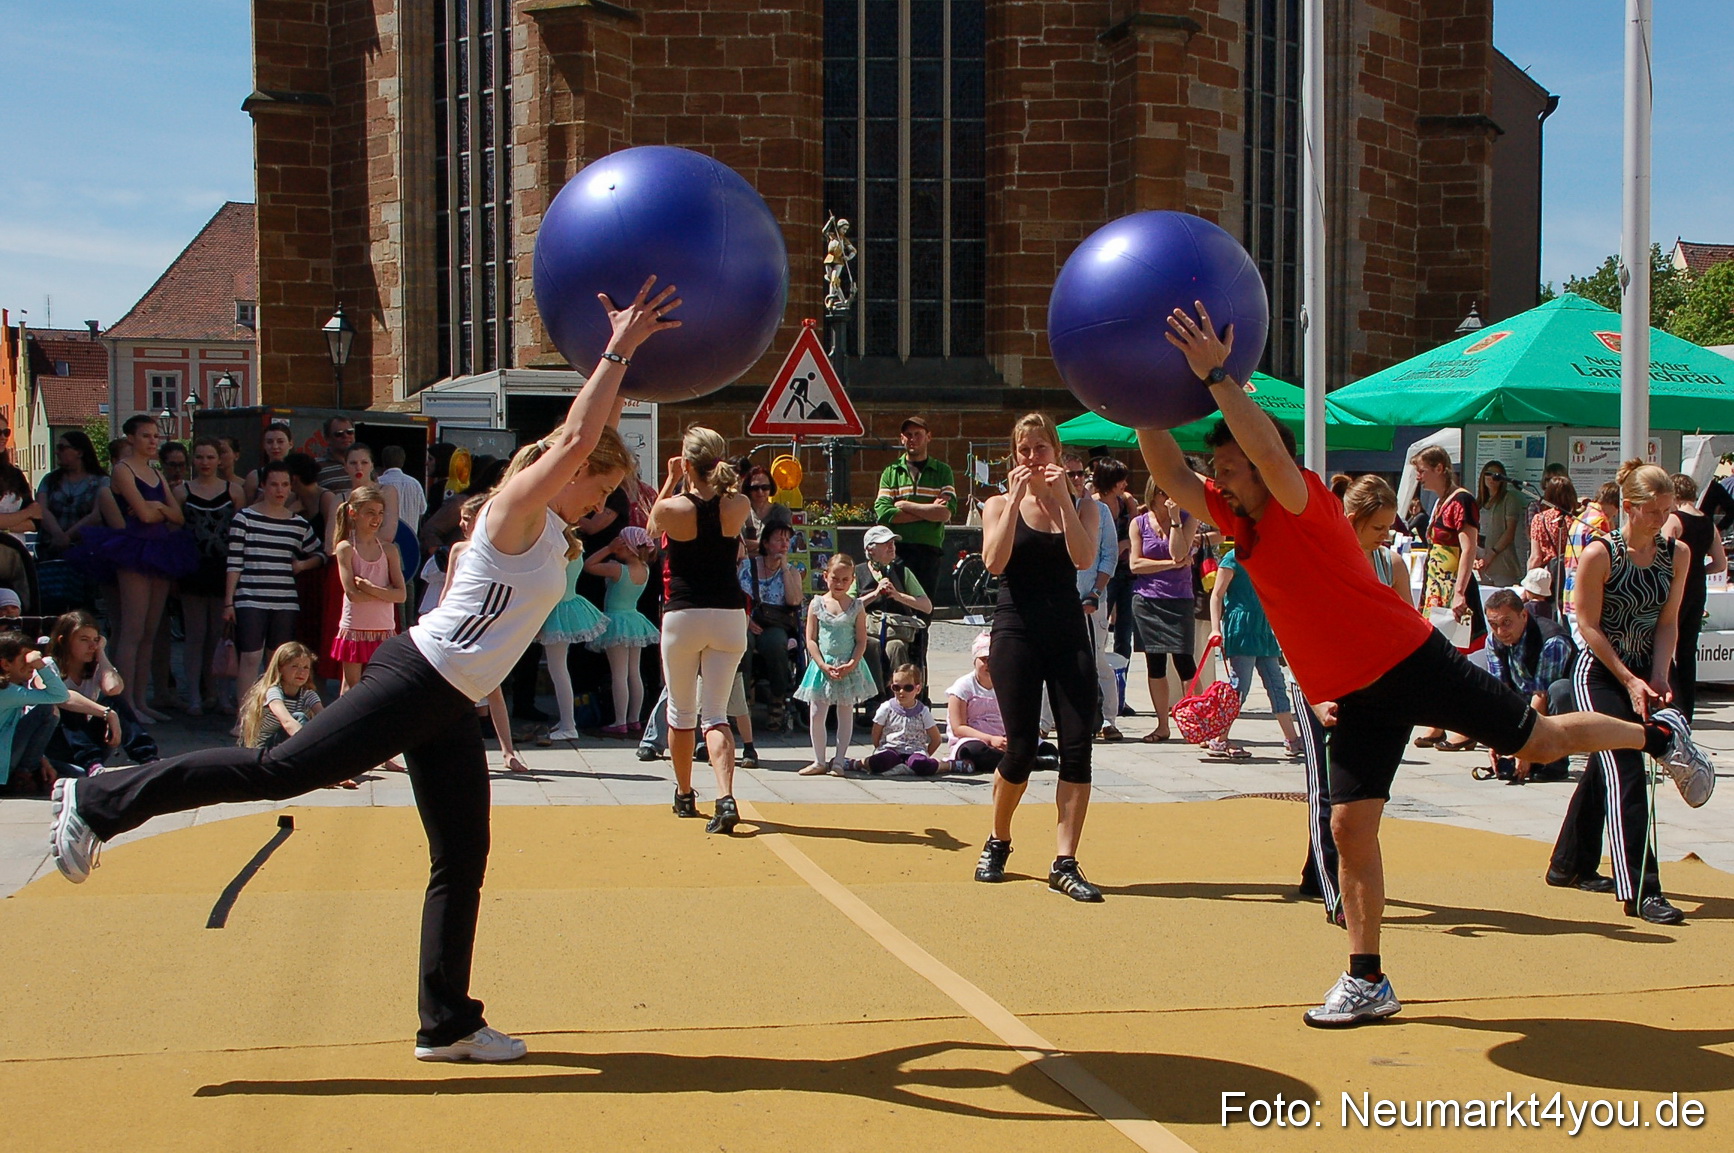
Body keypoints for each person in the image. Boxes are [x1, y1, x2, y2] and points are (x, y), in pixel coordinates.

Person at [49, 273, 673, 1064]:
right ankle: (97, 798)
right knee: (277, 770)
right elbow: (578, 440)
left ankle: (445, 1021)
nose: (603, 505)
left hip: (452, 697)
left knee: (462, 853)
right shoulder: (518, 506)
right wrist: (619, 348)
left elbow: (591, 436)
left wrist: (614, 370)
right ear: (565, 470)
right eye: (601, 490)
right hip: (421, 677)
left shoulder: (551, 521)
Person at [1140, 299, 1712, 1026]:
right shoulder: (1236, 517)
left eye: (1228, 467)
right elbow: (1167, 467)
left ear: (1258, 463)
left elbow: (1270, 451)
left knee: (1539, 742)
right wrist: (1137, 397)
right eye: (1215, 468)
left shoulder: (1300, 498)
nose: (1216, 479)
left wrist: (1216, 375)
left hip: (1408, 658)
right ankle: (1367, 977)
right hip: (1353, 691)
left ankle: (1661, 737)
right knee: (1349, 825)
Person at [1549, 461, 1698, 925]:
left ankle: (1567, 863)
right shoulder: (1600, 554)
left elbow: (1668, 621)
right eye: (1652, 511)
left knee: (1605, 767)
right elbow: (1587, 626)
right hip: (1598, 672)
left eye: (1666, 510)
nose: (1661, 520)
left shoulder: (1677, 555)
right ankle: (1641, 889)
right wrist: (1629, 680)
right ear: (1628, 509)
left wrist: (1657, 675)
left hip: (1641, 667)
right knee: (1627, 770)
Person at [972, 413, 1101, 902]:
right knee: (1021, 746)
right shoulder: (998, 504)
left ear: (1056, 452)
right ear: (1014, 455)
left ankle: (1065, 861)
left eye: (1040, 449)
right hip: (1016, 630)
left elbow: (1084, 558)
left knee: (1077, 745)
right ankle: (998, 838)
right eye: (1024, 450)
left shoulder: (1083, 506)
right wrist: (1013, 504)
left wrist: (1063, 500)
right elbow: (995, 562)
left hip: (1067, 630)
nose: (1032, 458)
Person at [649, 424, 752, 835]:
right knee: (716, 713)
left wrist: (673, 478)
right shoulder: (739, 504)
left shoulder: (675, 508)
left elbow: (652, 526)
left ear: (689, 463)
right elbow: (730, 499)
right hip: (728, 614)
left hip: (685, 613)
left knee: (681, 711)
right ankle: (725, 795)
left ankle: (685, 792)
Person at [73, 415, 197, 724]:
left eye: (156, 436)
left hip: (159, 550)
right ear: (131, 438)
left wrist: (159, 510)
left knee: (150, 632)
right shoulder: (122, 470)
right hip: (134, 551)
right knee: (132, 629)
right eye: (146, 436)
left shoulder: (155, 473)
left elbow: (177, 517)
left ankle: (140, 700)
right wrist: (156, 510)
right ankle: (123, 703)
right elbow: (143, 514)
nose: (153, 441)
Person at [225, 461, 323, 697]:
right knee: (249, 657)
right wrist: (228, 601)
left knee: (277, 660)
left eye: (285, 485)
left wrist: (302, 565)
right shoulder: (245, 519)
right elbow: (234, 562)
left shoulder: (298, 524)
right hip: (250, 597)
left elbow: (320, 554)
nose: (280, 490)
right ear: (263, 486)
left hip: (284, 600)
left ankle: (270, 713)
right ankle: (244, 717)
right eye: (274, 485)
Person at [1411, 446, 1483, 752]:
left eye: (1423, 470)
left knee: (1455, 660)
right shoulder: (1441, 501)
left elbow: (1468, 548)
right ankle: (1439, 722)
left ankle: (1464, 725)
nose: (1419, 477)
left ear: (1440, 467)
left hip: (1454, 589)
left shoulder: (1461, 500)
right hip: (1437, 588)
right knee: (1437, 660)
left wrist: (1459, 592)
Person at [1207, 545, 1301, 759]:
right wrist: (1215, 628)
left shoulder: (1269, 559)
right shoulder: (1232, 558)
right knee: (1240, 685)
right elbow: (1217, 595)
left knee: (1276, 683)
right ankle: (1219, 738)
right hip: (1241, 629)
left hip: (1263, 628)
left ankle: (1292, 739)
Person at [175, 438, 245, 716]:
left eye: (210, 457)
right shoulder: (182, 491)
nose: (205, 462)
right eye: (200, 457)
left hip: (224, 569)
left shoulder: (234, 491)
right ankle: (194, 694)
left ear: (220, 460)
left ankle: (221, 695)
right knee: (194, 635)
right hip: (193, 569)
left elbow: (241, 535)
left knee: (221, 636)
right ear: (194, 460)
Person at [44, 610, 157, 775]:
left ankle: (148, 758)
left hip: (92, 743)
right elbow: (63, 697)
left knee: (115, 701)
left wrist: (101, 653)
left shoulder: (96, 667)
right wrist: (107, 714)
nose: (92, 646)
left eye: (95, 640)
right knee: (72, 707)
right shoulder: (48, 666)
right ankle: (92, 765)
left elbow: (113, 689)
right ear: (63, 641)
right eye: (84, 640)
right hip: (58, 744)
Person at [1058, 454, 1122, 742]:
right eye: (1068, 474)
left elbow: (1109, 555)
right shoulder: (1053, 509)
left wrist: (1096, 591)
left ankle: (1108, 719)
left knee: (1097, 659)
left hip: (1091, 596)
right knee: (1054, 660)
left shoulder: (1100, 510)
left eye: (1078, 474)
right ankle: (1046, 721)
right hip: (1059, 597)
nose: (1075, 480)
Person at [1482, 588, 1575, 783]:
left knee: (1559, 691)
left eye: (1507, 622)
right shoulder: (1493, 640)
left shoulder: (1552, 640)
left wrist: (1524, 749)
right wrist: (1498, 740)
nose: (1501, 631)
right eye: (1494, 625)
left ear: (1523, 615)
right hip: (1523, 698)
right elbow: (1500, 692)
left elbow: (1540, 695)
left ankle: (1556, 763)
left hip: (1557, 703)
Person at [795, 553, 876, 775]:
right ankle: (819, 760)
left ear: (852, 581)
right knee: (817, 713)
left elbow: (861, 640)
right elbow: (810, 639)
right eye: (835, 578)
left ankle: (839, 760)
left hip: (848, 665)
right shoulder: (817, 603)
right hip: (823, 665)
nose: (839, 584)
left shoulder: (857, 606)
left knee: (845, 711)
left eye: (844, 580)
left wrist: (852, 663)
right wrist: (820, 663)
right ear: (825, 577)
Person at [1128, 479, 1195, 743]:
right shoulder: (1139, 523)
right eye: (1162, 491)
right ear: (1152, 493)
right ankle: (1162, 725)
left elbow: (1180, 552)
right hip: (1147, 600)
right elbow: (1135, 564)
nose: (1167, 496)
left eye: (1172, 490)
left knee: (1184, 661)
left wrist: (1176, 519)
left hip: (1179, 598)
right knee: (1155, 664)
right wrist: (1171, 563)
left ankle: (1194, 722)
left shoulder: (1189, 519)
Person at [330, 483, 407, 693]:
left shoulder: (389, 550)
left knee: (382, 684)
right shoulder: (345, 548)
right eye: (370, 513)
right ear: (353, 513)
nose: (376, 519)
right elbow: (352, 594)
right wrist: (384, 593)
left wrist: (370, 588)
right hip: (355, 626)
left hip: (383, 627)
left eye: (380, 513)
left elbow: (401, 595)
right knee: (351, 685)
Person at [585, 526, 661, 737]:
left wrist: (608, 549)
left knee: (619, 674)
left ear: (628, 548)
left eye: (620, 544)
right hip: (633, 619)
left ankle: (619, 721)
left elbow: (588, 565)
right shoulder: (644, 569)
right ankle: (634, 719)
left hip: (616, 621)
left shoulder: (618, 570)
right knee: (633, 672)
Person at [1662, 473, 1726, 721]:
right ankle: (1687, 708)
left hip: (1675, 588)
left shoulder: (1674, 520)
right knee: (1688, 650)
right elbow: (1720, 564)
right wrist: (1699, 569)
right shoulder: (1708, 523)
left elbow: (1664, 553)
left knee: (1665, 645)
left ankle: (1673, 703)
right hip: (1698, 588)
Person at [873, 416, 957, 599]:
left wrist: (905, 505)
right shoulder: (891, 471)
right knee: (899, 606)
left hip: (929, 551)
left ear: (928, 437)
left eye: (918, 434)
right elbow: (884, 513)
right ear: (902, 438)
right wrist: (928, 512)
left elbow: (944, 513)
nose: (913, 439)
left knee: (924, 607)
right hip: (897, 549)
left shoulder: (943, 471)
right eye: (908, 435)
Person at [854, 525, 932, 696]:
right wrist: (875, 594)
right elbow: (847, 606)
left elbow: (926, 606)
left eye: (892, 543)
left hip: (896, 630)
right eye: (885, 543)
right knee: (870, 646)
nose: (891, 547)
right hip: (869, 630)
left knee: (895, 647)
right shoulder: (857, 573)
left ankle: (900, 695)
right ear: (870, 549)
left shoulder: (903, 572)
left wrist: (898, 596)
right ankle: (875, 698)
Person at [742, 519, 804, 727]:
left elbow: (794, 601)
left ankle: (777, 696)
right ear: (766, 543)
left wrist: (784, 567)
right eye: (779, 539)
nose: (784, 544)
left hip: (776, 622)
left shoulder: (792, 571)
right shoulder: (747, 566)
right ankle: (742, 700)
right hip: (747, 619)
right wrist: (746, 620)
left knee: (776, 642)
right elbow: (734, 597)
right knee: (744, 643)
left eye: (787, 540)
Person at [0, 632, 69, 795]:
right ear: (5, 664)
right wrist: (41, 666)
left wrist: (42, 759)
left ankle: (26, 773)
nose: (31, 663)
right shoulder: (8, 692)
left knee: (75, 774)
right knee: (47, 709)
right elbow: (60, 695)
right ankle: (22, 776)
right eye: (25, 658)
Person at [1091, 457, 1138, 665]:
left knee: (1125, 632)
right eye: (1121, 480)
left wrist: (1127, 542)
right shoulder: (1092, 505)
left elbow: (1137, 531)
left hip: (1126, 572)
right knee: (1099, 629)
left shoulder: (1125, 502)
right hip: (1101, 573)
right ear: (1110, 481)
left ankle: (1121, 683)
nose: (1125, 484)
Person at [238, 641, 323, 752]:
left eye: (306, 667)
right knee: (299, 717)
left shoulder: (308, 695)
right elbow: (287, 722)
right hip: (264, 750)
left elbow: (323, 716)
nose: (301, 672)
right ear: (280, 669)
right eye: (295, 666)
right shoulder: (273, 692)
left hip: (289, 743)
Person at [36, 430, 108, 557]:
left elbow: (97, 515)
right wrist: (58, 534)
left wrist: (67, 537)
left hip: (86, 553)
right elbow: (41, 509)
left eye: (62, 448)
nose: (57, 452)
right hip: (49, 551)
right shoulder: (49, 480)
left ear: (79, 452)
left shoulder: (102, 481)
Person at [865, 664, 943, 776]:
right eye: (896, 688)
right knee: (879, 761)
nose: (901, 692)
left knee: (921, 764)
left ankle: (946, 765)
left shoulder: (923, 712)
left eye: (908, 688)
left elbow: (936, 739)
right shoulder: (887, 708)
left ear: (918, 689)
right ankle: (858, 764)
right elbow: (876, 732)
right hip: (891, 748)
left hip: (915, 750)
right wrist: (879, 748)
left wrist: (925, 754)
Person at [1563, 482, 1619, 617]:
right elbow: (1603, 561)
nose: (1616, 515)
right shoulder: (1598, 521)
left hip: (1572, 591)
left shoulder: (1582, 517)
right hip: (1588, 596)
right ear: (1615, 504)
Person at [1474, 460, 1525, 587]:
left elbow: (1509, 532)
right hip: (1479, 556)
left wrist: (1490, 555)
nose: (1492, 478)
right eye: (1489, 474)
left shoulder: (1509, 499)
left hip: (1500, 559)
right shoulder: (1478, 501)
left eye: (1497, 475)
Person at [740, 464, 793, 557]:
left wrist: (749, 545)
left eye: (765, 488)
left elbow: (782, 546)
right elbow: (736, 544)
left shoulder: (782, 513)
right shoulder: (740, 511)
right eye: (755, 488)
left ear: (771, 488)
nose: (760, 492)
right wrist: (766, 545)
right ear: (748, 489)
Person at [243, 422, 296, 506]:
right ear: (264, 445)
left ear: (290, 444)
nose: (275, 446)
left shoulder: (299, 475)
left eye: (280, 441)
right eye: (269, 442)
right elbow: (247, 508)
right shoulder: (255, 476)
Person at [317, 416, 358, 492]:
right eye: (339, 434)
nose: (346, 436)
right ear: (327, 439)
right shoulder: (316, 466)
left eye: (349, 432)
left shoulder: (364, 463)